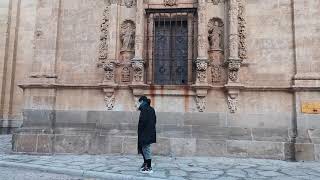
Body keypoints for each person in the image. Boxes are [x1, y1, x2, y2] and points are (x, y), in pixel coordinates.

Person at [137, 96, 156, 174]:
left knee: (146, 149)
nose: (139, 104)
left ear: (143, 101)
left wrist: (141, 132)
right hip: (149, 131)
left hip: (145, 132)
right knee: (144, 148)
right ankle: (145, 163)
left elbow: (143, 122)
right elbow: (155, 120)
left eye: (140, 102)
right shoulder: (151, 109)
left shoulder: (144, 109)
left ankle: (148, 166)